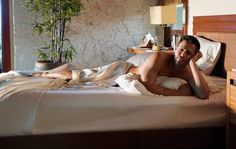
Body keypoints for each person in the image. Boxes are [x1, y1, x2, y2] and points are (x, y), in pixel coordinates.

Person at [33, 35, 210, 99]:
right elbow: (147, 84)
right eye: (181, 50)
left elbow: (203, 94)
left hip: (125, 76)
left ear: (194, 55)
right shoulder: (159, 57)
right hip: (122, 70)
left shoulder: (190, 69)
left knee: (82, 77)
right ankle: (44, 75)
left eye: (188, 53)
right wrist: (177, 93)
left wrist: (193, 64)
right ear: (175, 48)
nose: (182, 55)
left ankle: (48, 74)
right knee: (80, 75)